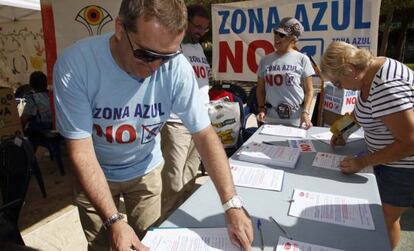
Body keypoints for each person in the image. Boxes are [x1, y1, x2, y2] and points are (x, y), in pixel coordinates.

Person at [53, 1, 253, 251]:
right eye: (145, 54)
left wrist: (231, 202)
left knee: (150, 241)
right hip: (95, 171)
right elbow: (81, 152)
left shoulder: (177, 67)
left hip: (145, 171)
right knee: (104, 245)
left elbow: (204, 134)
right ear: (119, 28)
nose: (155, 66)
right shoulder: (76, 65)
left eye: (166, 57)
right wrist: (114, 220)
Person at [320, 41, 414, 249]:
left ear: (348, 70)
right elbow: (361, 110)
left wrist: (362, 162)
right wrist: (342, 129)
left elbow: (410, 142)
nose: (339, 88)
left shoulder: (385, 88)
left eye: (337, 83)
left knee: (385, 219)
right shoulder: (372, 70)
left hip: (404, 167)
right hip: (388, 159)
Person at [160, 4, 211, 220]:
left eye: (204, 29)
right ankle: (165, 222)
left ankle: (183, 215)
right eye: (197, 26)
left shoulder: (198, 48)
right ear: (185, 22)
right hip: (176, 122)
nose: (200, 32)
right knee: (173, 178)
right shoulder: (171, 46)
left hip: (199, 122)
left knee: (190, 174)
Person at [256, 17, 314, 129]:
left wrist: (305, 113)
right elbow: (260, 89)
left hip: (296, 119)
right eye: (276, 32)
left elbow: (309, 90)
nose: (276, 37)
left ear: (293, 39)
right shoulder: (265, 60)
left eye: (282, 35)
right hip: (270, 119)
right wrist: (261, 108)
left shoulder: (303, 59)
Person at [20, 71, 52, 140]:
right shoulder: (52, 96)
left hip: (39, 133)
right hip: (54, 129)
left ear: (31, 84)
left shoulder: (33, 99)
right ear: (45, 84)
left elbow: (23, 119)